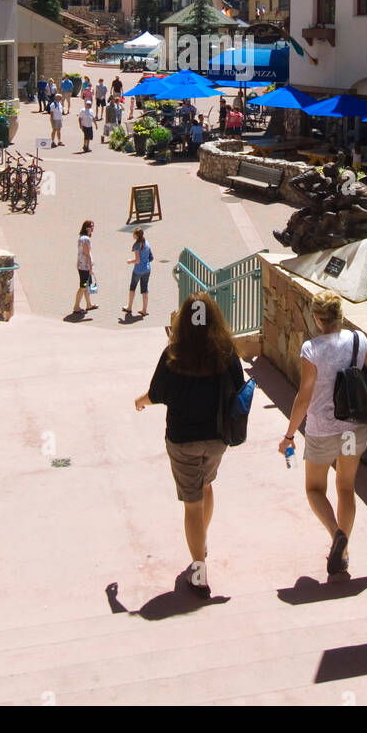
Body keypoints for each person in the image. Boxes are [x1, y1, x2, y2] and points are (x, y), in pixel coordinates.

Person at [135, 292, 245, 597]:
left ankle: (199, 572)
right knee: (206, 486)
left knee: (192, 505)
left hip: (183, 439)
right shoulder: (225, 352)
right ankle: (202, 542)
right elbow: (240, 388)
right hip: (217, 439)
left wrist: (140, 402)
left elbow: (157, 393)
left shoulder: (174, 353)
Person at [278, 289, 367, 577]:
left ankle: (336, 535)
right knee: (346, 487)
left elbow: (304, 396)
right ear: (340, 316)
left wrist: (290, 434)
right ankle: (343, 553)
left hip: (322, 430)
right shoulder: (360, 340)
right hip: (352, 429)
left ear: (318, 319)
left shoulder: (312, 349)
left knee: (314, 489)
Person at [123, 227, 153, 318]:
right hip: (147, 269)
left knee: (132, 287)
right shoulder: (146, 243)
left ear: (136, 235)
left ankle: (129, 307)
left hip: (138, 270)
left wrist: (130, 261)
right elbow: (150, 257)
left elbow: (137, 260)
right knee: (144, 289)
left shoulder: (137, 246)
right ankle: (144, 309)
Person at [72, 219, 97, 316]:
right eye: (91, 226)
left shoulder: (81, 237)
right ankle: (76, 306)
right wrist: (91, 268)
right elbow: (87, 254)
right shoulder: (86, 239)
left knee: (86, 287)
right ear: (86, 228)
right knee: (83, 287)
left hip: (81, 265)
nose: (92, 228)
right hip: (84, 267)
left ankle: (89, 304)